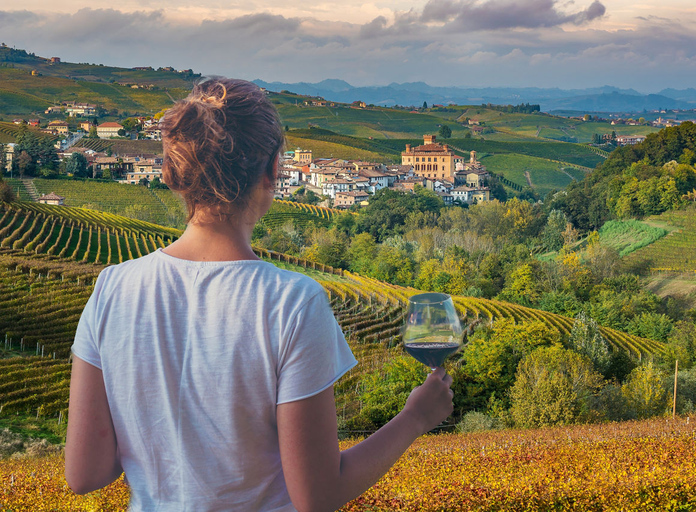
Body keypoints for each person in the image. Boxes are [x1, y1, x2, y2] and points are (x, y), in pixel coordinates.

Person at [65, 77, 454, 512]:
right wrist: (415, 418)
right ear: (272, 172)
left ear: (174, 175)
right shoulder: (292, 302)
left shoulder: (112, 288)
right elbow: (319, 495)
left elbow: (86, 474)